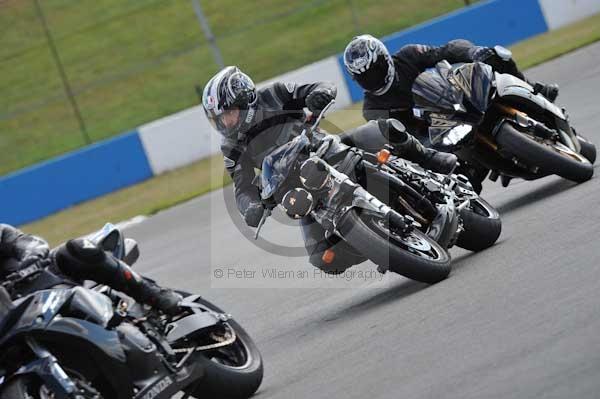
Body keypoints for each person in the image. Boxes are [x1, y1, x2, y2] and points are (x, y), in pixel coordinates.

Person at [202, 66, 457, 273]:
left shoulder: (275, 94)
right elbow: (242, 187)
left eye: (229, 114)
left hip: (325, 149)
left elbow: (319, 88)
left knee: (383, 129)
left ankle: (430, 158)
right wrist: (251, 208)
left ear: (245, 99)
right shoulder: (231, 147)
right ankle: (381, 242)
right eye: (220, 119)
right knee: (323, 258)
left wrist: (319, 95)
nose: (226, 122)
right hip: (296, 189)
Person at [343, 35, 561, 191]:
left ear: (385, 59)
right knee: (462, 182)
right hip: (440, 134)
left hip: (454, 96)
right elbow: (405, 138)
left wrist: (472, 52)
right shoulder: (372, 110)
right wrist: (430, 150)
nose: (373, 79)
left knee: (497, 57)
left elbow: (446, 50)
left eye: (376, 71)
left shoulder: (408, 56)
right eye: (366, 77)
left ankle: (536, 89)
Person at [0, 224, 181, 315]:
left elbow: (32, 244)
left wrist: (29, 264)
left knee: (74, 249)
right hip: (13, 328)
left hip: (46, 284)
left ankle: (154, 294)